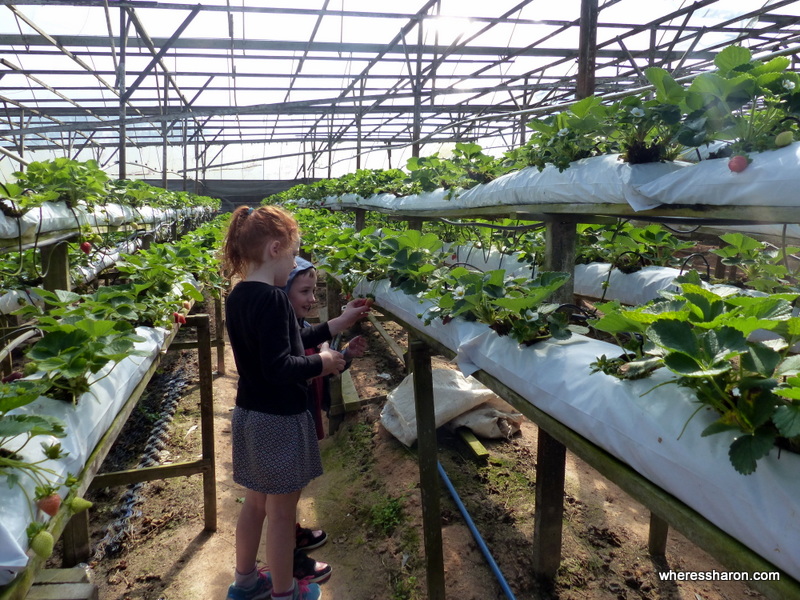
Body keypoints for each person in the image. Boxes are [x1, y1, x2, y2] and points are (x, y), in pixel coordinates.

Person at [222, 205, 345, 600]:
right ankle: (284, 592)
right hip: (278, 419)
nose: (294, 261)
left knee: (255, 504)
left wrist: (332, 331)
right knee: (280, 514)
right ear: (275, 248)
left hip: (250, 414)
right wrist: (322, 363)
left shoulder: (237, 295)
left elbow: (279, 348)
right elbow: (280, 366)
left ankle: (244, 583)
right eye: (293, 253)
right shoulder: (274, 300)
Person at [282, 258, 370, 584]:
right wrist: (323, 359)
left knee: (294, 486)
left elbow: (321, 356)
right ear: (281, 292)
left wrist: (343, 355)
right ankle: (289, 559)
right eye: (305, 291)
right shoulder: (282, 332)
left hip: (302, 415)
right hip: (289, 418)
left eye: (315, 289)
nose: (313, 298)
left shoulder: (300, 327)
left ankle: (291, 532)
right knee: (286, 491)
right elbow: (298, 369)